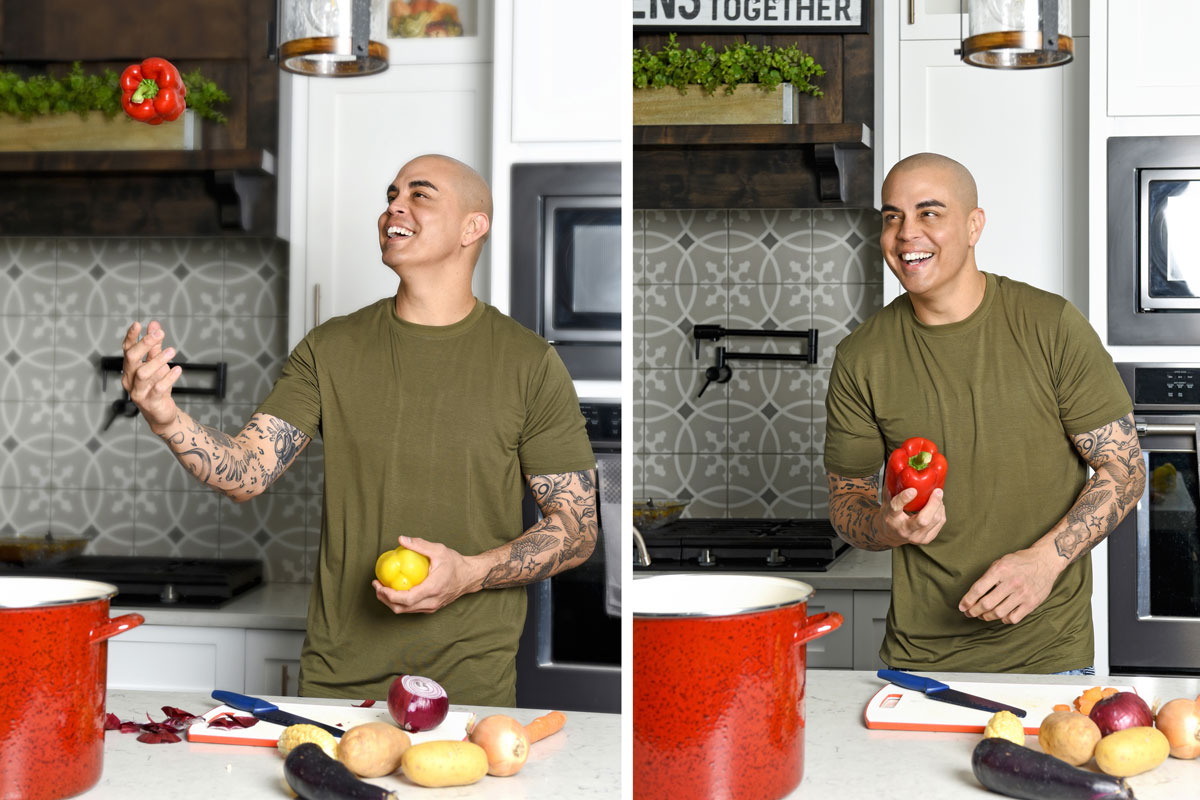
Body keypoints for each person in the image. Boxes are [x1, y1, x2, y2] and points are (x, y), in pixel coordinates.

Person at [120, 154, 599, 705]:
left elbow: (577, 528)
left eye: (421, 194)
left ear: (473, 226)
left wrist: (469, 573)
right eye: (392, 193)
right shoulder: (331, 348)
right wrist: (166, 416)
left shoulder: (529, 363)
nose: (395, 205)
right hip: (336, 685)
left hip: (469, 691)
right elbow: (246, 473)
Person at [823, 152, 1146, 674]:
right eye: (892, 217)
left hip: (1048, 659)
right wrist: (886, 526)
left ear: (974, 225)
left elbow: (1126, 471)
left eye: (929, 213)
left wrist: (1045, 562)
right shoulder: (862, 357)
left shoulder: (1051, 325)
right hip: (918, 663)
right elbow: (847, 505)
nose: (906, 234)